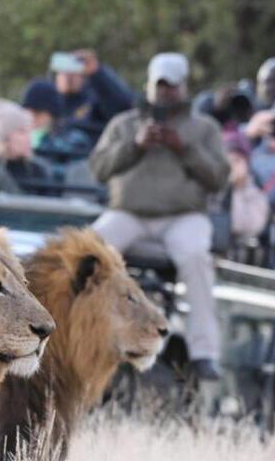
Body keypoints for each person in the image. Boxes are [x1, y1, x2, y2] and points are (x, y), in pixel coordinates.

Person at [89, 52, 229, 381]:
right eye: (160, 85)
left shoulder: (204, 128)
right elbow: (98, 169)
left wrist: (185, 149)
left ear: (184, 88)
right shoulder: (124, 124)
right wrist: (135, 146)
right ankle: (81, 336)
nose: (165, 92)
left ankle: (204, 353)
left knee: (195, 257)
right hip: (128, 214)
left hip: (183, 216)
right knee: (88, 252)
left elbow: (218, 178)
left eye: (172, 86)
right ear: (149, 85)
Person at [49, 49, 134, 144]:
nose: (68, 77)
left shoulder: (93, 99)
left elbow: (124, 107)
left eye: (73, 72)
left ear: (82, 74)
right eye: (63, 72)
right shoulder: (49, 101)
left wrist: (97, 72)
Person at [0, 99, 53, 192]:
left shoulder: (38, 172)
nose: (28, 138)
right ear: (4, 136)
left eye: (29, 131)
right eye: (22, 131)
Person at [21, 79, 93, 159]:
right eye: (27, 114)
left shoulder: (75, 140)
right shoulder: (21, 138)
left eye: (37, 114)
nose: (31, 119)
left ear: (52, 115)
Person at [222, 131, 269, 238]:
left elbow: (242, 227)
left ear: (247, 163)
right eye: (227, 160)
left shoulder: (256, 191)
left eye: (237, 160)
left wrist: (234, 190)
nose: (231, 166)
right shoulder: (212, 186)